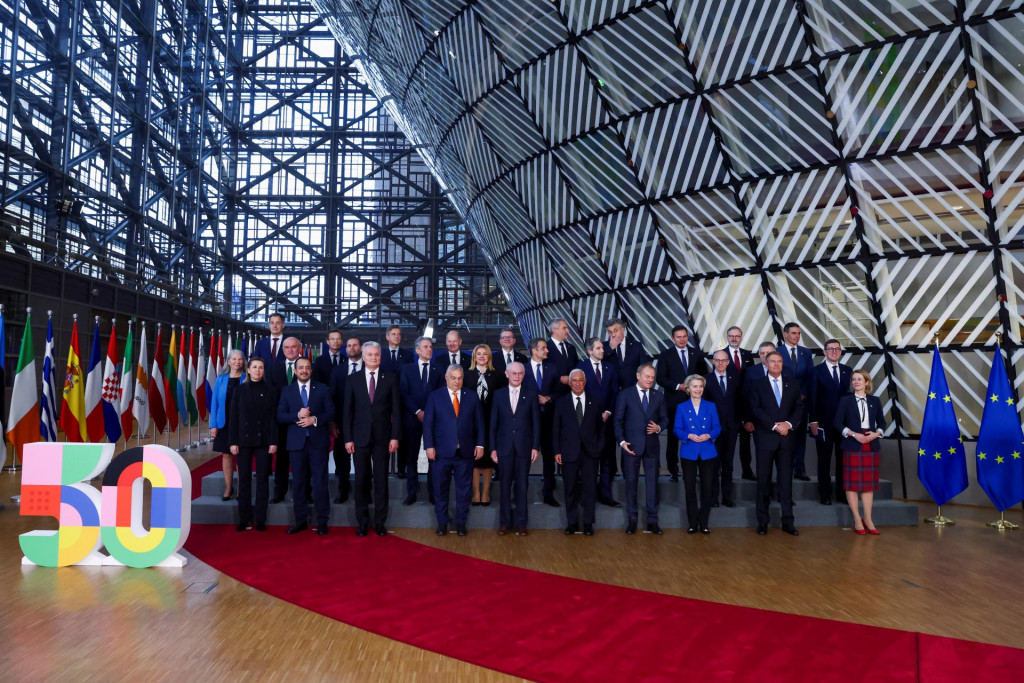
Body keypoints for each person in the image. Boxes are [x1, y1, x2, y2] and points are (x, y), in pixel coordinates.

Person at [342, 341, 401, 537]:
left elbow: (396, 412)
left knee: (382, 481)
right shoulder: (352, 380)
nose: (374, 357)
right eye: (370, 355)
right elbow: (347, 413)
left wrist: (395, 437)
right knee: (361, 480)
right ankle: (362, 522)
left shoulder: (390, 379)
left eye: (377, 354)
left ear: (380, 357)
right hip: (359, 439)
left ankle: (380, 522)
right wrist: (348, 438)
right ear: (363, 356)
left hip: (383, 438)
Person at [423, 365, 485, 536]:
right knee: (440, 489)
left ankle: (460, 524)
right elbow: (428, 424)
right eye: (453, 378)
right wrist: (429, 446)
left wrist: (480, 445)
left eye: (460, 378)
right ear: (446, 377)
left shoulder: (471, 396)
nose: (457, 381)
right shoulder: (435, 397)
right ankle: (442, 523)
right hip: (440, 453)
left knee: (464, 491)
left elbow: (479, 423)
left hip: (465, 453)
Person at [748, 351, 804, 536]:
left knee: (786, 483)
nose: (776, 364)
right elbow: (755, 409)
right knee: (763, 481)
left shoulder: (792, 383)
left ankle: (788, 522)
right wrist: (773, 426)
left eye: (779, 362)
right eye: (773, 361)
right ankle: (762, 522)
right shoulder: (758, 385)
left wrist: (787, 425)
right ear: (766, 363)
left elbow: (798, 408)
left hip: (787, 438)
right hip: (766, 438)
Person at [277, 357, 335, 535]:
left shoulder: (322, 388)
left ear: (311, 370)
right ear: (295, 371)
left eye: (307, 368)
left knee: (320, 483)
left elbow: (331, 412)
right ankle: (300, 521)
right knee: (299, 484)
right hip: (296, 444)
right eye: (300, 368)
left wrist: (314, 419)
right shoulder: (287, 391)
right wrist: (297, 415)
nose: (304, 370)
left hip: (318, 443)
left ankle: (322, 521)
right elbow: (280, 416)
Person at [614, 363, 668, 535]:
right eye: (647, 376)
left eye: (652, 377)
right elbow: (618, 421)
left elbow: (665, 419)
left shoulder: (659, 395)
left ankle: (652, 522)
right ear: (638, 376)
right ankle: (632, 521)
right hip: (631, 447)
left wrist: (658, 428)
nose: (650, 380)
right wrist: (622, 442)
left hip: (652, 447)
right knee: (631, 485)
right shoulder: (625, 395)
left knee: (653, 485)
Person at [489, 362, 540, 535]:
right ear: (507, 374)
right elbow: (493, 424)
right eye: (514, 373)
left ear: (524, 375)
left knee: (522, 486)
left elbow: (536, 424)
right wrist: (492, 448)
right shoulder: (498, 395)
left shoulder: (531, 395)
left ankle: (521, 523)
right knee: (504, 486)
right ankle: (504, 523)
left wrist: (535, 447)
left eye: (520, 373)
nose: (517, 376)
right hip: (503, 448)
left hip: (524, 448)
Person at [228, 357, 279, 531]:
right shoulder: (239, 390)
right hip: (243, 441)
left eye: (261, 367)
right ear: (248, 370)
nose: (258, 370)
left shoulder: (271, 390)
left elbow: (274, 419)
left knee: (263, 480)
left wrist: (274, 441)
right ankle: (244, 518)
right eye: (254, 367)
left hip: (264, 441)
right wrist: (233, 441)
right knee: (244, 480)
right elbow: (234, 418)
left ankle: (260, 519)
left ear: (264, 370)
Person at [553, 369, 605, 536]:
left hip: (590, 453)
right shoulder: (561, 402)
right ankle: (572, 523)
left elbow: (601, 429)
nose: (577, 383)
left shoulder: (595, 402)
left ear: (585, 382)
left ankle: (588, 523)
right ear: (569, 382)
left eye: (580, 380)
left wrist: (598, 448)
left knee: (590, 489)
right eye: (573, 380)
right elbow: (556, 429)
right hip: (568, 452)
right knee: (570, 489)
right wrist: (557, 451)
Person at [834, 370, 885, 535]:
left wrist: (876, 434)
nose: (856, 382)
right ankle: (857, 520)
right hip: (852, 444)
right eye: (853, 379)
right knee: (852, 485)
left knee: (868, 486)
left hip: (870, 445)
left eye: (859, 379)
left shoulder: (875, 401)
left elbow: (882, 423)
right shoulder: (845, 400)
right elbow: (837, 423)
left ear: (867, 382)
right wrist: (854, 434)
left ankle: (868, 519)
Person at [656, 325, 706, 482]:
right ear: (673, 338)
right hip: (674, 403)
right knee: (673, 438)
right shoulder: (665, 355)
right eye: (679, 337)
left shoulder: (696, 354)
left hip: (694, 403)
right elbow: (661, 379)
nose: (682, 339)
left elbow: (704, 375)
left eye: (684, 336)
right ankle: (673, 470)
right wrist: (679, 386)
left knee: (694, 436)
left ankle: (692, 470)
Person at [398, 336, 444, 505]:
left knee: (433, 456)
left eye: (431, 347)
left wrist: (429, 413)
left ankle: (433, 493)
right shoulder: (407, 369)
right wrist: (417, 411)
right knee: (411, 457)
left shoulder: (438, 370)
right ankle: (412, 491)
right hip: (411, 418)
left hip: (433, 420)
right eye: (425, 347)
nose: (429, 349)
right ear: (417, 350)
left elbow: (440, 395)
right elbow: (403, 392)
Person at [674, 375, 721, 534]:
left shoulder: (711, 406)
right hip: (689, 451)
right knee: (690, 489)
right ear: (687, 389)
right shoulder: (681, 407)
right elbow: (677, 429)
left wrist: (710, 435)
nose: (698, 389)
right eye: (694, 386)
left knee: (707, 488)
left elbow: (717, 427)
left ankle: (704, 523)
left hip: (707, 451)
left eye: (700, 386)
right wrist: (687, 436)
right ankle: (693, 523)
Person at [809, 339, 852, 505]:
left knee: (843, 460)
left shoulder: (848, 371)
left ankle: (841, 495)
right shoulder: (816, 371)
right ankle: (825, 494)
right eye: (831, 349)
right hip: (823, 423)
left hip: (844, 425)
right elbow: (812, 397)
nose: (834, 351)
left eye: (837, 349)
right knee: (824, 460)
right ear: (824, 352)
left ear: (840, 352)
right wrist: (813, 420)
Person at [577, 338, 620, 507]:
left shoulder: (611, 368)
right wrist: (595, 413)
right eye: (599, 348)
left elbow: (615, 392)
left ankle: (606, 495)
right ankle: (588, 496)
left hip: (607, 421)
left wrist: (608, 411)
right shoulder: (581, 368)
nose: (603, 350)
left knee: (608, 459)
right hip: (589, 421)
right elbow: (579, 393)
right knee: (587, 460)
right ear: (589, 351)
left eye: (602, 348)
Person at [521, 337, 560, 507]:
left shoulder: (553, 368)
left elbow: (560, 391)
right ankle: (520, 493)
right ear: (534, 350)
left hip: (549, 420)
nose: (547, 350)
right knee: (523, 458)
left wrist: (549, 398)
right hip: (527, 421)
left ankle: (548, 493)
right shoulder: (522, 369)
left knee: (549, 457)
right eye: (543, 348)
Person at [704, 350, 741, 507]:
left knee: (728, 464)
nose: (720, 363)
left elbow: (740, 402)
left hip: (731, 428)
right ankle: (712, 498)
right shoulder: (706, 380)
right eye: (717, 360)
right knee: (713, 464)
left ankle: (727, 496)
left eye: (723, 360)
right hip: (712, 430)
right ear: (713, 362)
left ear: (728, 362)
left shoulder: (736, 379)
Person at [328, 336, 363, 504]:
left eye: (354, 345)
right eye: (348, 345)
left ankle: (364, 493)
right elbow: (332, 397)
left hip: (364, 424)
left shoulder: (371, 368)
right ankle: (343, 491)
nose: (351, 348)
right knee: (342, 460)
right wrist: (332, 422)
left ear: (361, 348)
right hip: (342, 423)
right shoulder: (338, 370)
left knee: (363, 461)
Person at [268, 337, 303, 504]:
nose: (290, 350)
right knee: (281, 460)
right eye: (287, 347)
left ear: (299, 348)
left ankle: (304, 492)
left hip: (302, 423)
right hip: (280, 422)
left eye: (293, 347)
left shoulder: (308, 367)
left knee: (303, 462)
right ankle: (279, 492)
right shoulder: (274, 368)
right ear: (283, 350)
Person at [465, 344, 500, 506]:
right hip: (471, 423)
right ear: (474, 356)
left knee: (487, 460)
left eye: (485, 354)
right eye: (478, 354)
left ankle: (485, 492)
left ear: (489, 357)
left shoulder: (497, 375)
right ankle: (475, 493)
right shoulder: (466, 375)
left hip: (490, 421)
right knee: (474, 459)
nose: (481, 356)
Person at [779, 322, 814, 481]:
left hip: (801, 401)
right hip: (783, 401)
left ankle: (800, 469)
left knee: (800, 436)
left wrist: (803, 394)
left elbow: (810, 376)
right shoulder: (777, 352)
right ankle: (784, 469)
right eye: (793, 333)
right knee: (784, 436)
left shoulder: (805, 353)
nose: (797, 336)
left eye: (799, 333)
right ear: (785, 334)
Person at [210, 350, 245, 500]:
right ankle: (228, 487)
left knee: (243, 456)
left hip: (243, 423)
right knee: (227, 455)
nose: (237, 361)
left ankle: (241, 489)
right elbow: (214, 404)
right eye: (234, 359)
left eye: (240, 359)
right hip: (224, 422)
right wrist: (213, 425)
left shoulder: (247, 378)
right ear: (229, 362)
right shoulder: (221, 379)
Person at [724, 326, 756, 480]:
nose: (734, 338)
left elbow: (752, 377)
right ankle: (725, 472)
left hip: (745, 405)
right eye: (731, 336)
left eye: (737, 336)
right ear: (727, 337)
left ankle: (747, 470)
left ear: (741, 337)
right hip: (728, 404)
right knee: (727, 443)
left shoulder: (748, 355)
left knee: (745, 441)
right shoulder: (721, 355)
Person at [604, 317, 651, 389]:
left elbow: (644, 368)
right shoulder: (603, 347)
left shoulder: (636, 346)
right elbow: (597, 362)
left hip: (633, 389)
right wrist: (610, 348)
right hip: (612, 391)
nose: (613, 335)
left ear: (623, 329)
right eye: (610, 332)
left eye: (615, 331)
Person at [547, 318, 579, 395]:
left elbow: (576, 366)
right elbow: (542, 370)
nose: (568, 331)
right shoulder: (545, 348)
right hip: (553, 395)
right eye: (564, 328)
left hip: (572, 393)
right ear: (554, 330)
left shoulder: (571, 348)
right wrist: (559, 378)